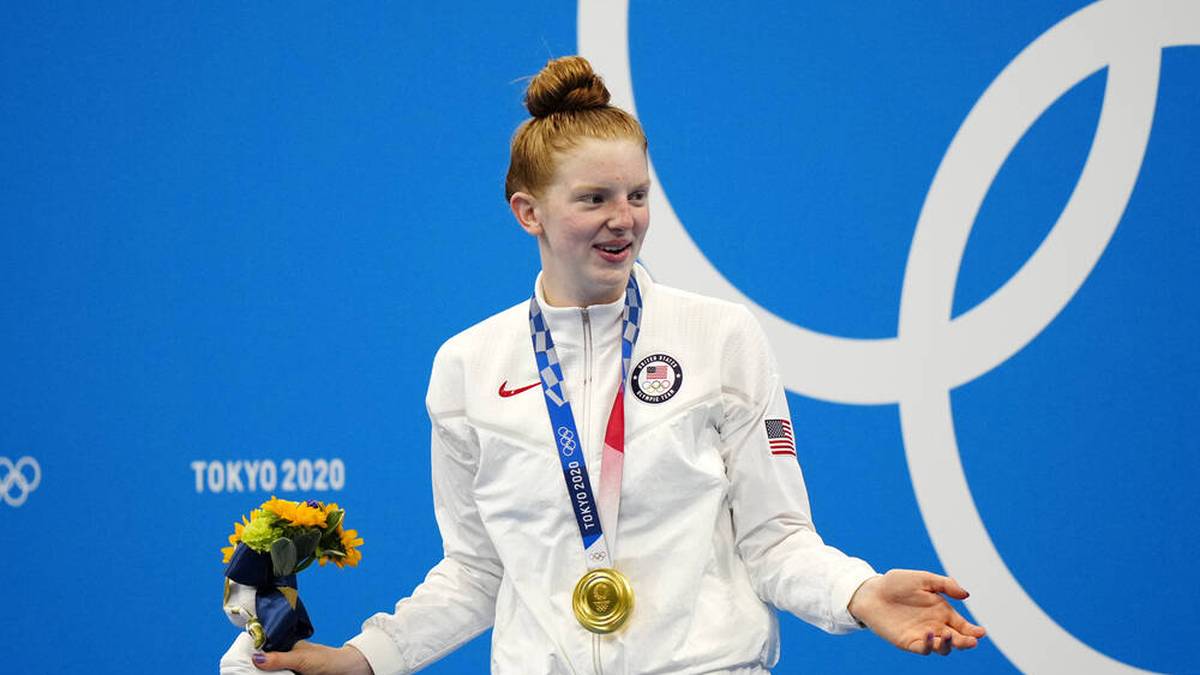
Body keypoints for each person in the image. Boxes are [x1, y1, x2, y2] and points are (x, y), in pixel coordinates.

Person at [221, 55, 986, 675]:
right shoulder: (466, 366)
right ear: (529, 212)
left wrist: (859, 592)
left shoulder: (719, 336)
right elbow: (477, 572)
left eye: (638, 195)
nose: (624, 219)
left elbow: (776, 538)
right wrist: (367, 658)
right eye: (593, 198)